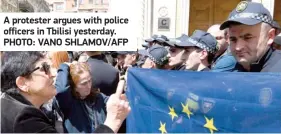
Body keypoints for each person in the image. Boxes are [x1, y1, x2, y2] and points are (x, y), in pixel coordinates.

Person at [1, 51, 130, 133]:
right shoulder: (25, 119)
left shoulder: (9, 105)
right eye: (44, 69)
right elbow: (62, 90)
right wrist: (113, 122)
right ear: (23, 83)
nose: (53, 73)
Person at [220, 1, 281, 72]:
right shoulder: (229, 69)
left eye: (247, 38)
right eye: (233, 39)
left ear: (270, 36)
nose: (238, 48)